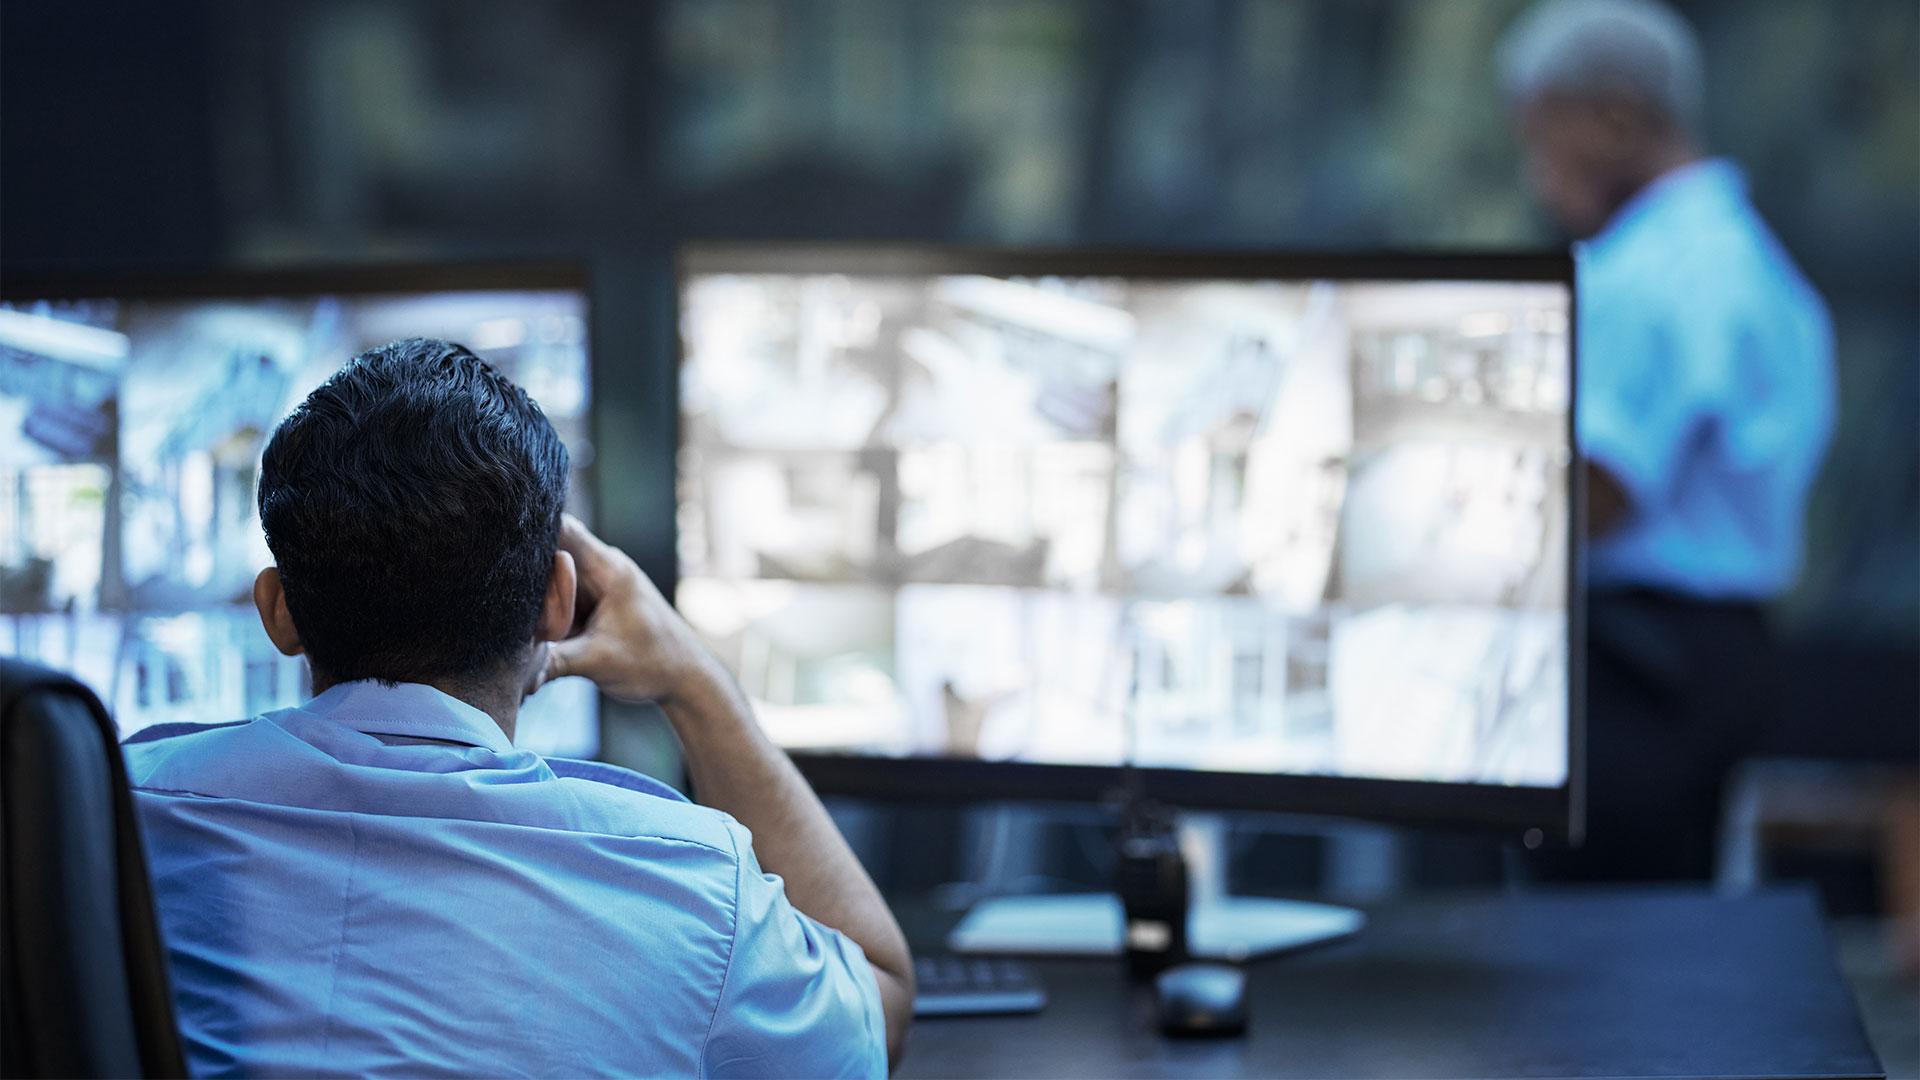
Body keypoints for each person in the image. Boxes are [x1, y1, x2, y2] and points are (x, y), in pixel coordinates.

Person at [122, 338, 913, 1077]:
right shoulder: (692, 882)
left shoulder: (108, 815)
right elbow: (881, 1006)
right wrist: (695, 682)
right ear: (557, 603)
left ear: (277, 611)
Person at [1497, 0, 1836, 878]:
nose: (1538, 178)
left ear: (1614, 114)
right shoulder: (1752, 260)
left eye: (1543, 138)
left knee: (1595, 960)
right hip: (1712, 657)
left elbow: (1597, 492)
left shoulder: (1655, 276)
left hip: (1638, 671)